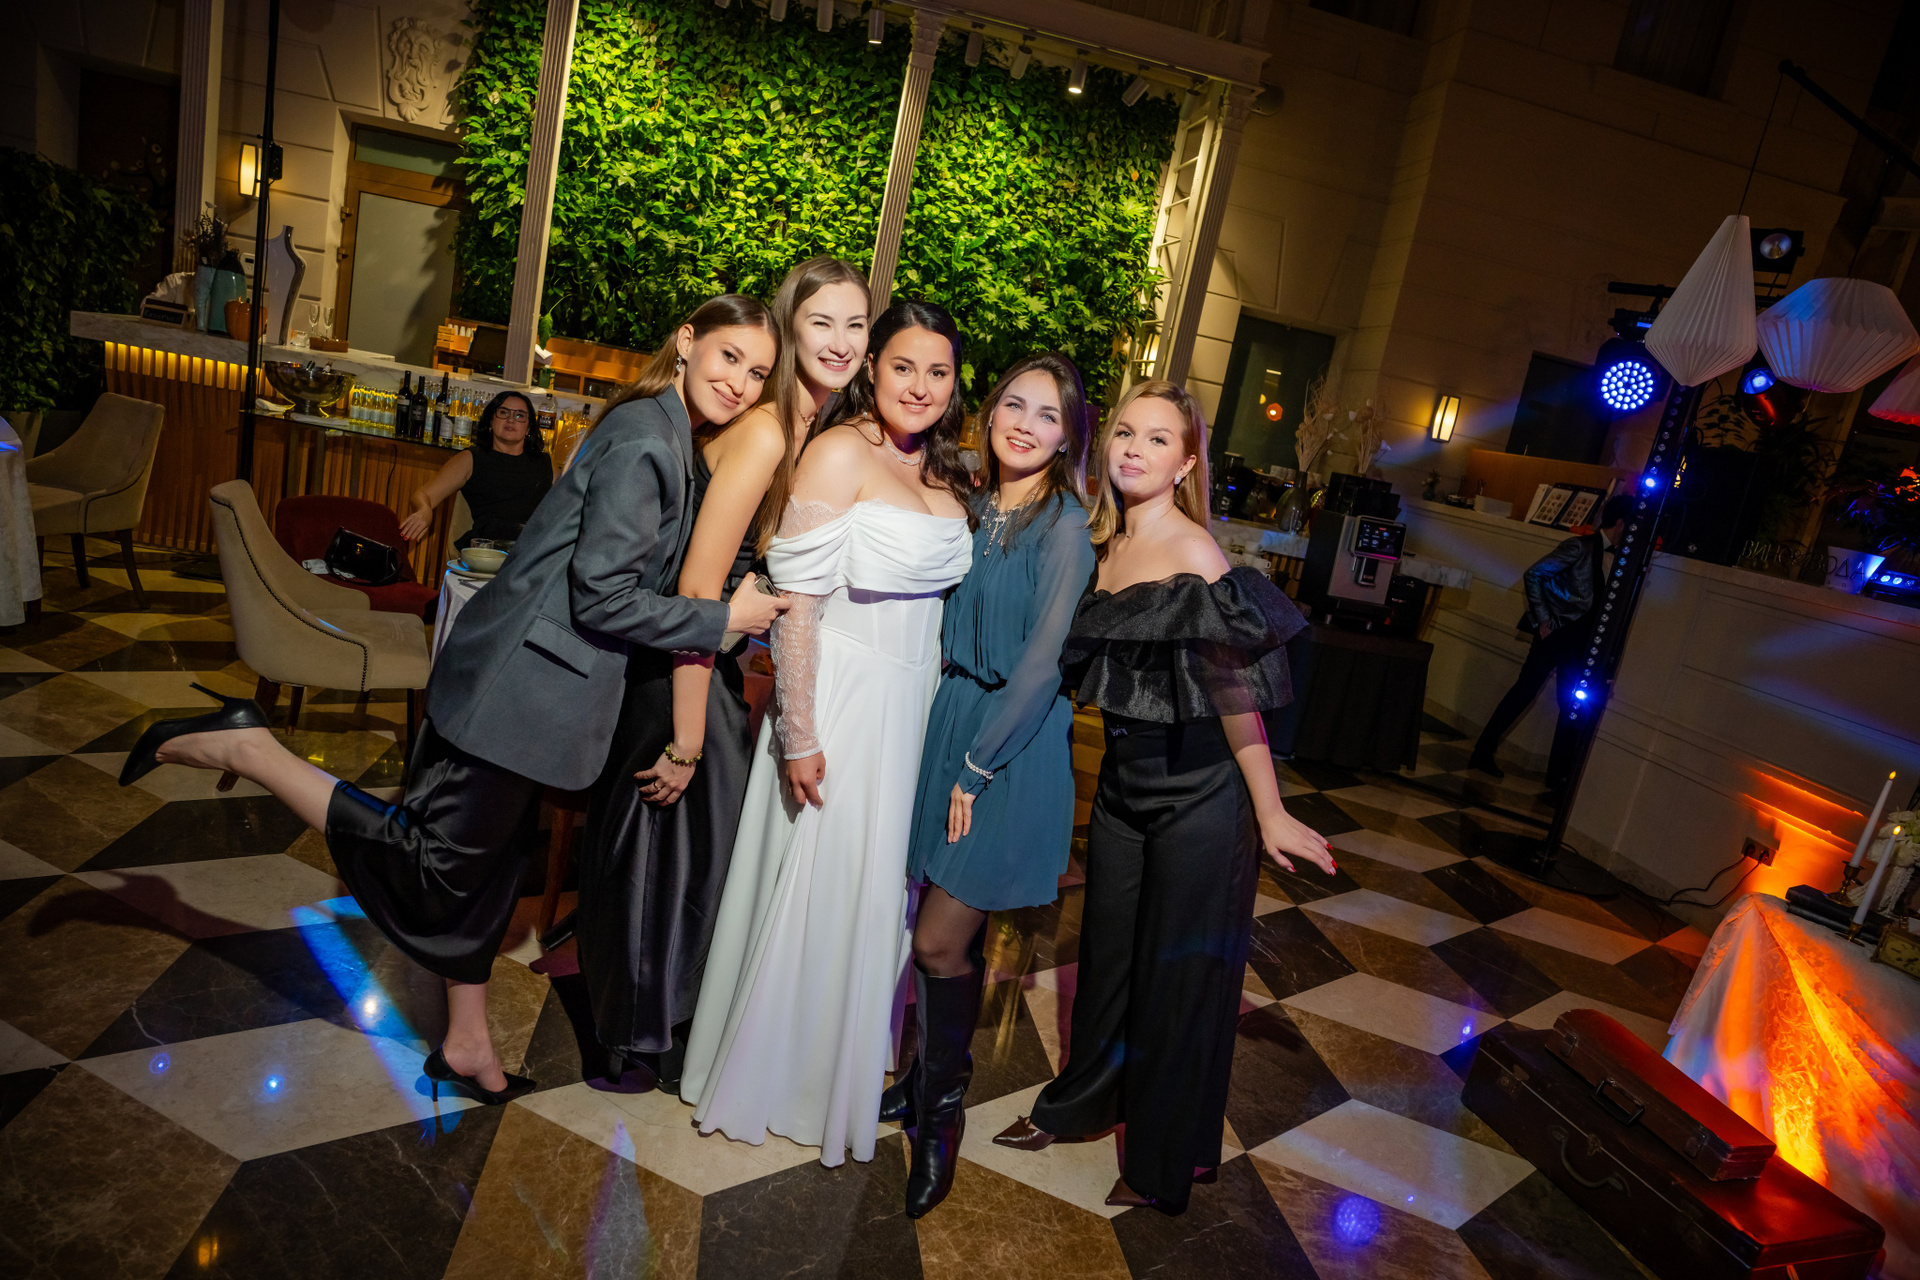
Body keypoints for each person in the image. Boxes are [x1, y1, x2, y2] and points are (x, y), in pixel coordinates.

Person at [117, 296, 790, 1105]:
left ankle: (466, 1043)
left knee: (487, 874)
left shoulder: (666, 431)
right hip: (517, 689)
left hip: (529, 690)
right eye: (728, 357)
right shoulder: (650, 439)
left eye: (757, 372)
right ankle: (249, 746)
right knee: (432, 866)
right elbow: (602, 597)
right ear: (686, 341)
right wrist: (723, 620)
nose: (740, 382)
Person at [991, 379, 1336, 1214]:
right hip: (1123, 788)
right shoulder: (1105, 544)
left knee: (1180, 982)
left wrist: (1270, 811)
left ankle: (1161, 1161)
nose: (1135, 450)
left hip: (1202, 798)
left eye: (1157, 440)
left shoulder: (1195, 553)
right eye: (1125, 433)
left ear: (1186, 464)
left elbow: (1237, 699)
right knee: (1108, 959)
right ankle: (1082, 1104)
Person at [679, 301, 974, 1168]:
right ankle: (785, 1072)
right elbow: (799, 602)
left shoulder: (948, 472)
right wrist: (800, 733)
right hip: (840, 695)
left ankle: (838, 1062)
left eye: (938, 372)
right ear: (872, 368)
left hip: (913, 704)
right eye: (902, 367)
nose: (918, 387)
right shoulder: (840, 451)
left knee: (880, 891)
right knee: (822, 874)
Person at [575, 257, 872, 1090]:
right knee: (660, 860)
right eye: (821, 323)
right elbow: (700, 587)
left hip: (711, 667)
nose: (840, 341)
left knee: (691, 862)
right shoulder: (770, 430)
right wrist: (686, 737)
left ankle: (660, 1029)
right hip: (678, 675)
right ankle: (633, 1041)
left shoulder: (812, 428)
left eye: (856, 325)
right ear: (789, 328)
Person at [887, 352, 1096, 1216]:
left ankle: (942, 1116)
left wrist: (978, 765)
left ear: (1069, 437)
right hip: (951, 717)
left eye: (1048, 415)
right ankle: (916, 1080)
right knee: (929, 924)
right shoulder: (973, 505)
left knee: (939, 941)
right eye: (1015, 404)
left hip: (1008, 745)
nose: (1026, 425)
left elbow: (1043, 666)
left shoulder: (1065, 527)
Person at [1467, 492, 1632, 791]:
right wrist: (1544, 620)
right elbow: (1534, 575)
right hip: (1557, 635)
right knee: (1526, 692)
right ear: (1620, 523)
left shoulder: (1620, 559)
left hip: (1582, 643)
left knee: (1571, 704)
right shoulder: (1579, 546)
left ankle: (1557, 776)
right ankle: (1484, 751)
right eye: (1631, 527)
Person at [398, 390, 553, 550]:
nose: (511, 419)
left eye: (519, 415)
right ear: (491, 421)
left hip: (534, 552)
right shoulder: (471, 459)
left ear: (528, 428)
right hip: (487, 553)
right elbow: (422, 495)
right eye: (503, 412)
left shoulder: (545, 463)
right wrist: (424, 511)